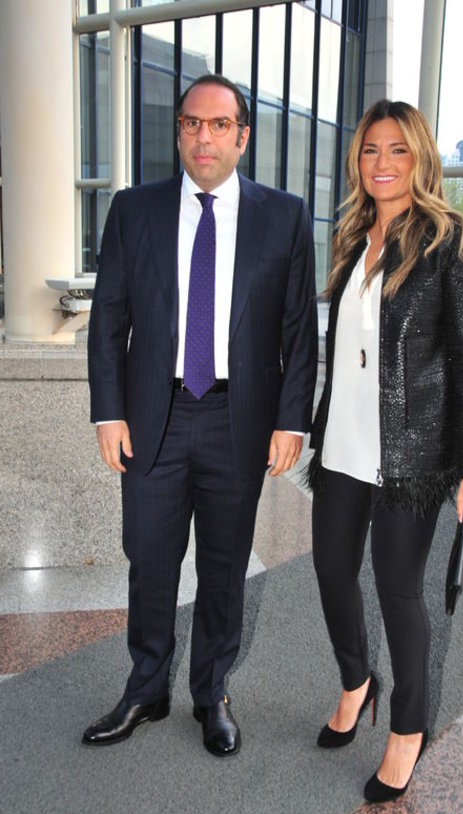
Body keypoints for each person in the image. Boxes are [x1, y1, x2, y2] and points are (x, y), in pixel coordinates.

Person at [83, 74, 317, 757]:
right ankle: (146, 688)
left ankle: (211, 692)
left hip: (237, 419)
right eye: (191, 123)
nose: (202, 137)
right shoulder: (134, 210)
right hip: (152, 417)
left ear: (243, 136)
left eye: (218, 125)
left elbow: (299, 329)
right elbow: (109, 319)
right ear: (179, 132)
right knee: (149, 559)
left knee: (223, 564)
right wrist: (108, 412)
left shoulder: (285, 216)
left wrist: (291, 421)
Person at [307, 99, 463, 802]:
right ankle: (358, 681)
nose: (382, 163)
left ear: (420, 159)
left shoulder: (452, 240)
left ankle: (407, 728)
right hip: (343, 441)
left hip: (411, 452)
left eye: (397, 150)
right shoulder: (354, 238)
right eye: (370, 150)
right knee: (331, 570)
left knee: (397, 589)